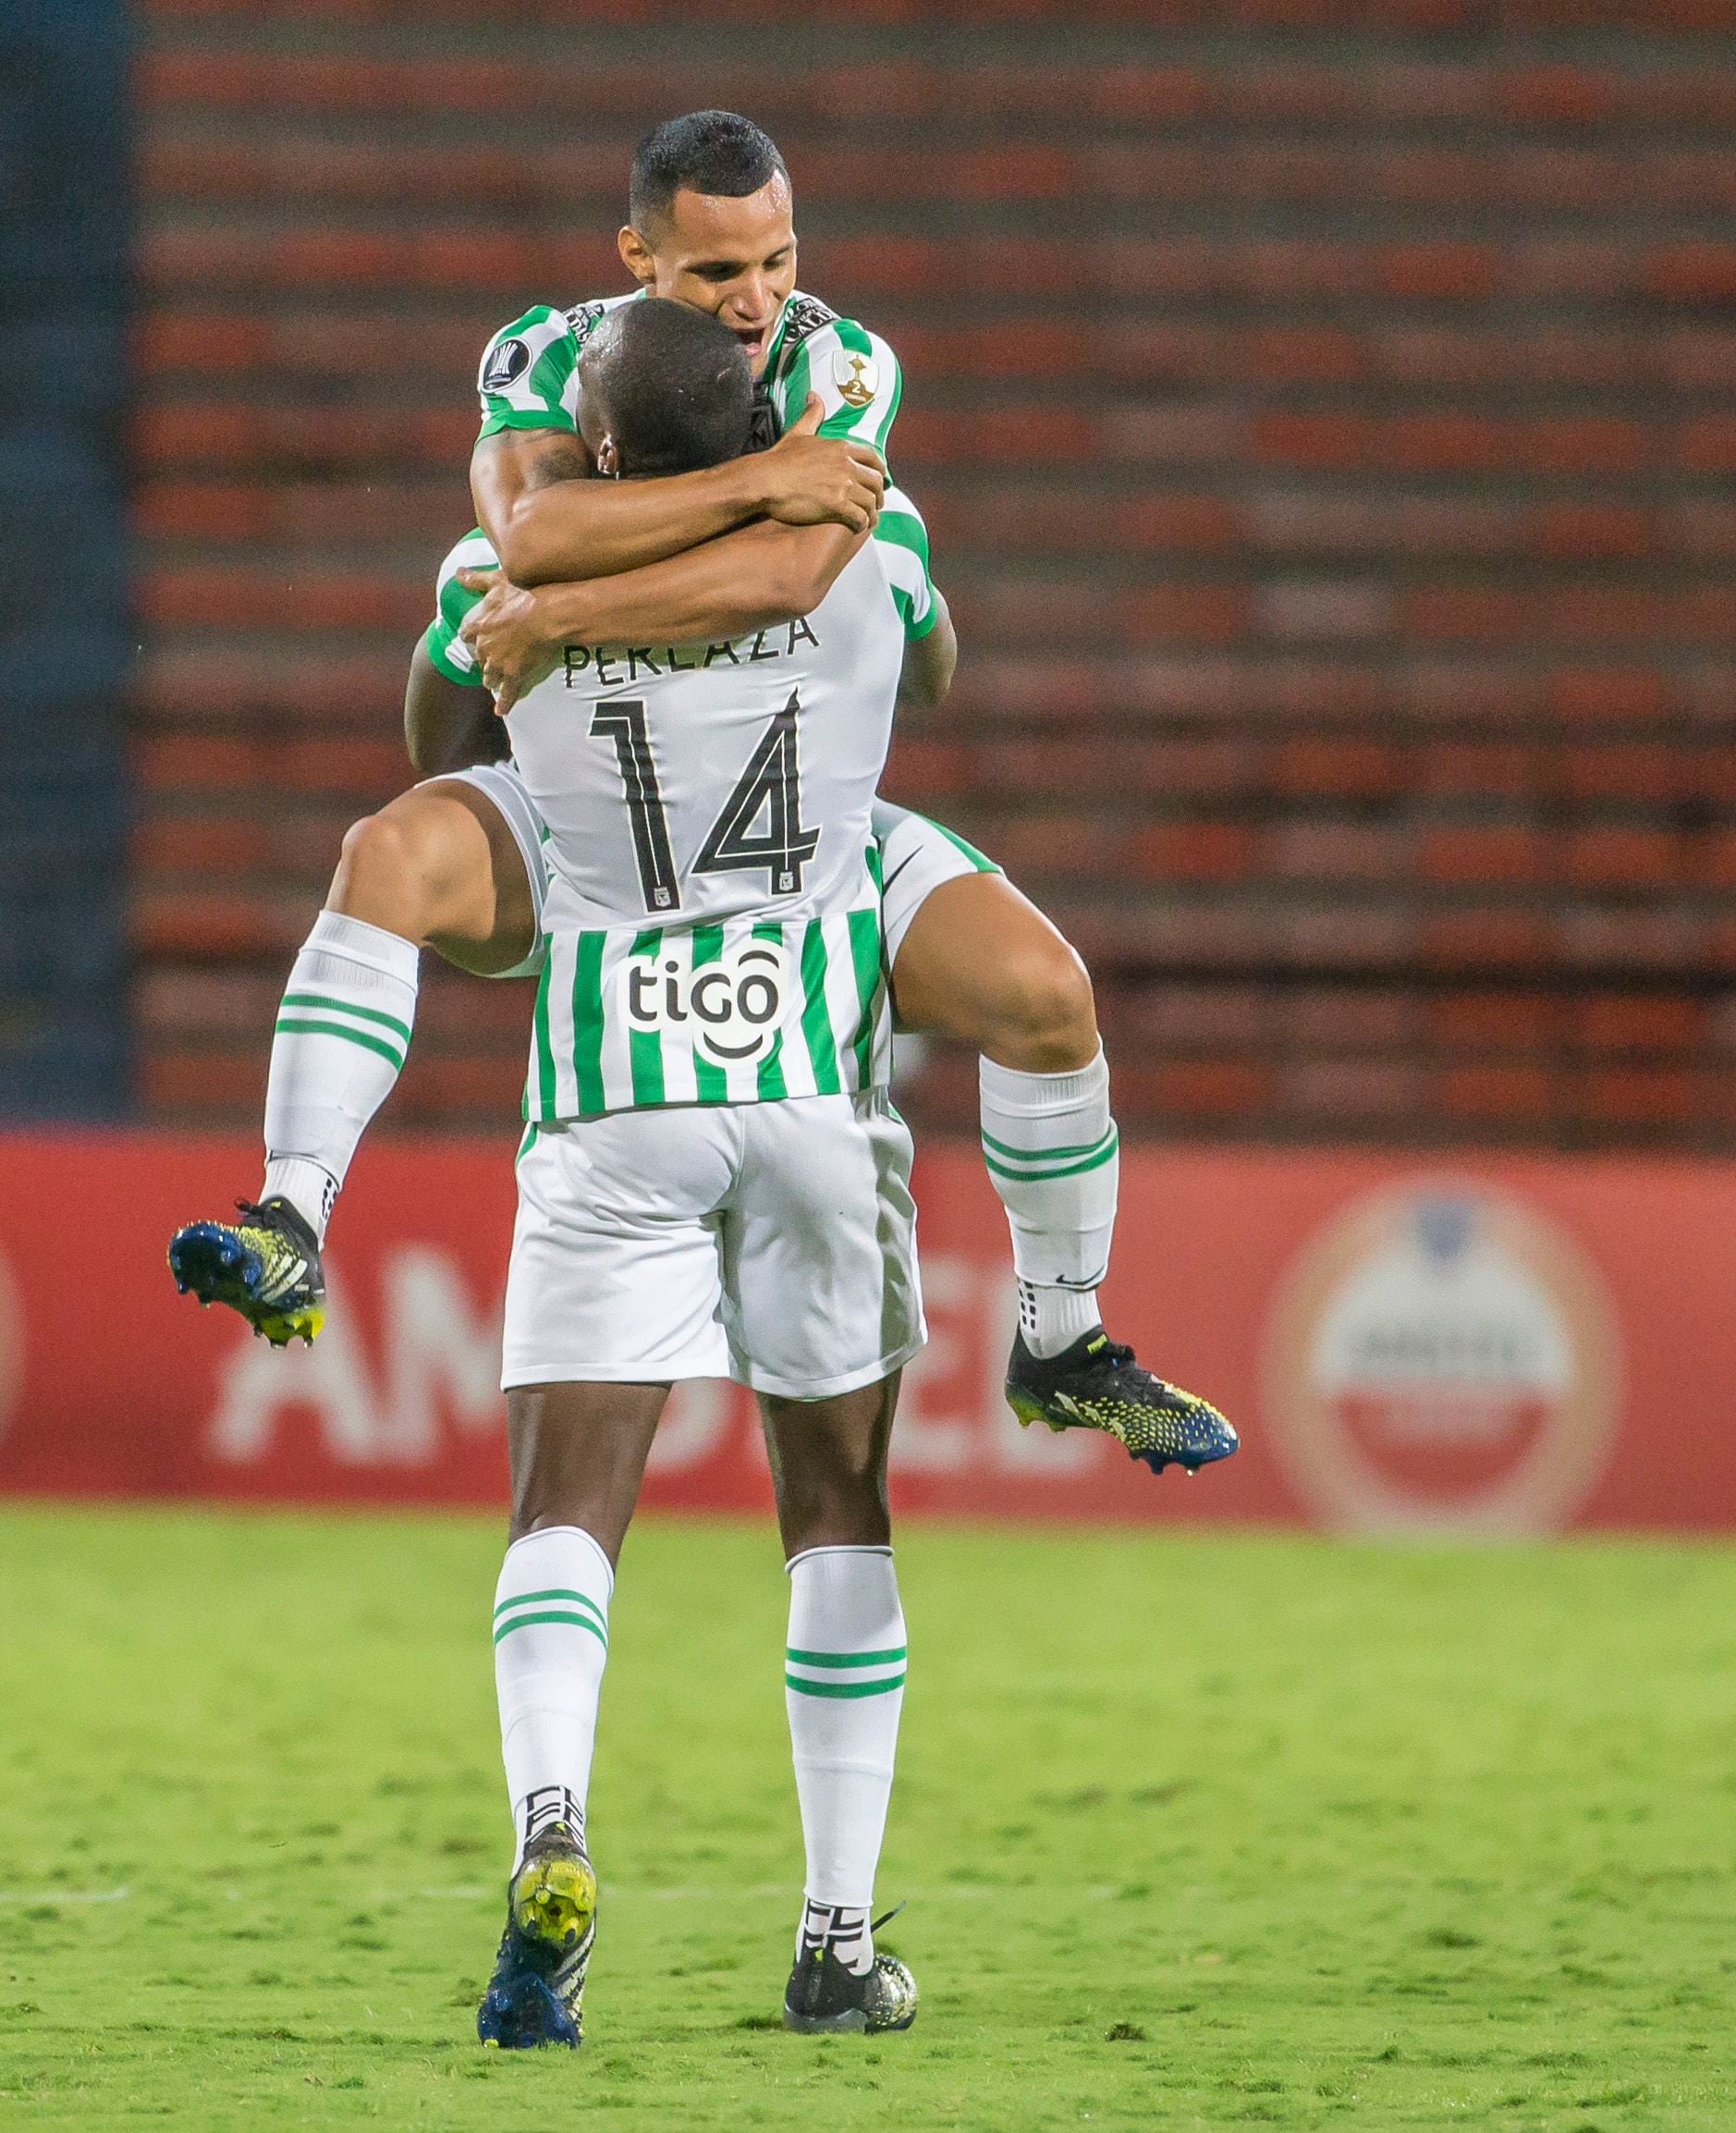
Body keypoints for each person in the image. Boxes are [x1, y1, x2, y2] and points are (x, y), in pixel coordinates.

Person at [171, 109, 1231, 1463]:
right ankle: (291, 1216)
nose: (756, 303)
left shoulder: (841, 361)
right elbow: (536, 532)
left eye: (777, 261)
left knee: (1045, 992)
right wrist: (751, 492)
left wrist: (557, 613)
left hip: (798, 809)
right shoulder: (551, 353)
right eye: (716, 273)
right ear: (634, 253)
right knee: (386, 856)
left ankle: (1060, 1330)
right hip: (597, 812)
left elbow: (780, 576)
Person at [454, 297, 935, 2044]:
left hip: (613, 1088)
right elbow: (932, 666)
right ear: (757, 427)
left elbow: (435, 759)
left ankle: (553, 1829)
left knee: (564, 1507)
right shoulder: (865, 558)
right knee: (836, 1502)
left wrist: (549, 619)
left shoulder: (494, 596)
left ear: (590, 450)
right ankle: (830, 1934)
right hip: (812, 1086)